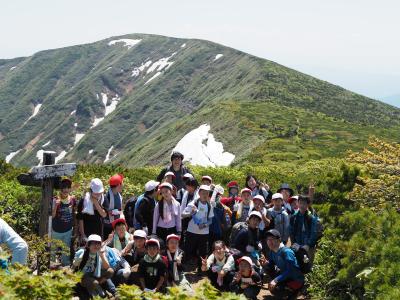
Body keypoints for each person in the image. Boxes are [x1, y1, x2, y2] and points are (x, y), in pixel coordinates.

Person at [261, 229, 304, 298]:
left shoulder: (286, 252)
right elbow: (271, 265)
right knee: (268, 270)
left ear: (279, 240)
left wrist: (275, 280)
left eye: (272, 239)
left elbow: (290, 270)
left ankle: (295, 292)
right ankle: (286, 291)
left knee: (277, 290)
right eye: (268, 239)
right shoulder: (272, 251)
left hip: (296, 279)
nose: (269, 242)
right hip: (286, 277)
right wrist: (266, 263)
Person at [182, 185, 214, 272]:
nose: (205, 195)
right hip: (191, 231)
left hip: (204, 233)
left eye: (207, 193)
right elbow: (182, 215)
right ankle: (182, 267)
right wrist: (190, 213)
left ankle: (201, 269)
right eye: (203, 193)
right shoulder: (193, 203)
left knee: (203, 252)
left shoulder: (209, 205)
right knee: (188, 249)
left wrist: (204, 225)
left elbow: (210, 220)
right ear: (199, 193)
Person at [51, 178, 76, 266]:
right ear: (60, 189)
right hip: (56, 230)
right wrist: (56, 206)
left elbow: (73, 214)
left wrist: (75, 228)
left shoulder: (72, 199)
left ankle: (65, 265)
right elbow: (52, 216)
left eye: (68, 187)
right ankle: (52, 265)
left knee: (66, 249)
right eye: (63, 187)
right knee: (53, 250)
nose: (65, 190)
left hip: (68, 230)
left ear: (70, 188)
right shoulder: (55, 199)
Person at [77, 178, 107, 243]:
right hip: (86, 230)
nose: (98, 195)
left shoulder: (103, 199)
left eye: (100, 193)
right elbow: (80, 218)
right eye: (96, 193)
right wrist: (83, 234)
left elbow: (104, 214)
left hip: (99, 230)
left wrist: (95, 202)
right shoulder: (84, 200)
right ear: (91, 191)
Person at [290, 195, 318, 264]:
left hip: (308, 247)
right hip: (297, 244)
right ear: (298, 203)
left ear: (308, 204)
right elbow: (291, 231)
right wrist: (294, 242)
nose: (302, 205)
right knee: (298, 263)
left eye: (304, 203)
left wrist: (308, 244)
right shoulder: (294, 216)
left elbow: (313, 232)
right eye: (300, 203)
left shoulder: (311, 217)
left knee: (308, 264)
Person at [102, 174, 124, 240]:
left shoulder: (118, 194)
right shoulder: (107, 196)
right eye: (122, 183)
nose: (123, 185)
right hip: (108, 226)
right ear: (119, 185)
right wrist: (118, 212)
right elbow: (107, 212)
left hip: (116, 225)